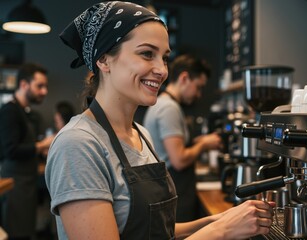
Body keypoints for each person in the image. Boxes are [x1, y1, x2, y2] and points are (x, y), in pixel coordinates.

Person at [45, 2, 274, 240]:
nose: (162, 70)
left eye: (164, 58)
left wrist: (218, 219)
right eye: (147, 54)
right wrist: (221, 231)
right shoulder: (78, 144)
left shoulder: (141, 134)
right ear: (103, 60)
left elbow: (155, 231)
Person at [143, 54, 222, 222]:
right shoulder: (169, 108)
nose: (199, 94)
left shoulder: (163, 103)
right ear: (184, 78)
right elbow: (178, 160)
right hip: (174, 187)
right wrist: (204, 145)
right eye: (198, 87)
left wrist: (198, 142)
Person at [0, 62, 54, 240]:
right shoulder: (9, 111)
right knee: (17, 234)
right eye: (40, 86)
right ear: (24, 84)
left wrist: (41, 151)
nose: (44, 91)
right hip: (15, 184)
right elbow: (10, 150)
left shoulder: (25, 111)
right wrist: (42, 145)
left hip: (27, 182)